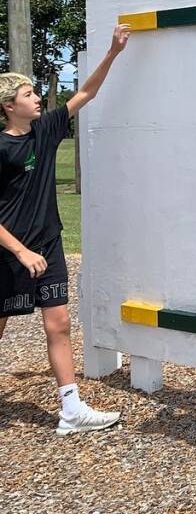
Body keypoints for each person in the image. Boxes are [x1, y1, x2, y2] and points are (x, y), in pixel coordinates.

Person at [0, 24, 131, 434]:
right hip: (10, 252)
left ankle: (71, 409)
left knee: (57, 324)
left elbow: (86, 93)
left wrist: (110, 53)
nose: (37, 98)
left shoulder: (47, 129)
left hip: (49, 245)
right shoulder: (1, 148)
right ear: (8, 105)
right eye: (28, 95)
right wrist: (20, 252)